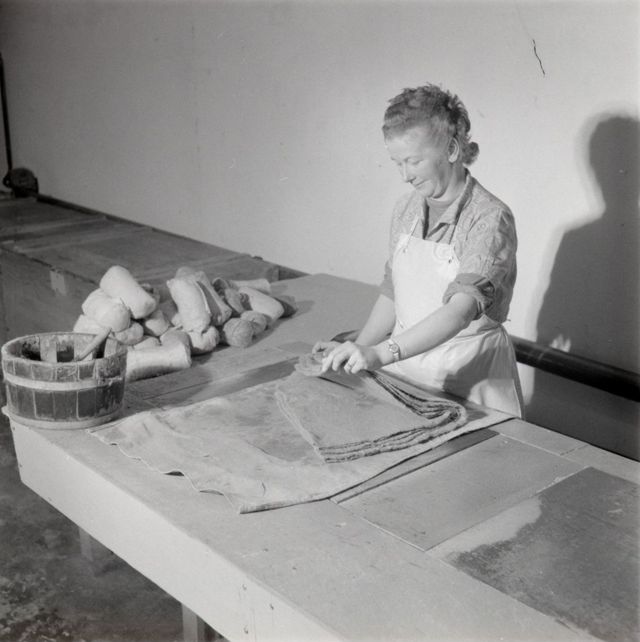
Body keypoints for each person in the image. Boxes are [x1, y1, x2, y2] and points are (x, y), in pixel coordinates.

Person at [314, 83, 524, 417]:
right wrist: (359, 348)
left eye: (413, 161)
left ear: (452, 149)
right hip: (406, 374)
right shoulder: (406, 209)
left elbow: (460, 311)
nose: (405, 176)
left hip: (469, 382)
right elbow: (393, 292)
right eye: (396, 163)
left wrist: (381, 354)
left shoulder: (489, 217)